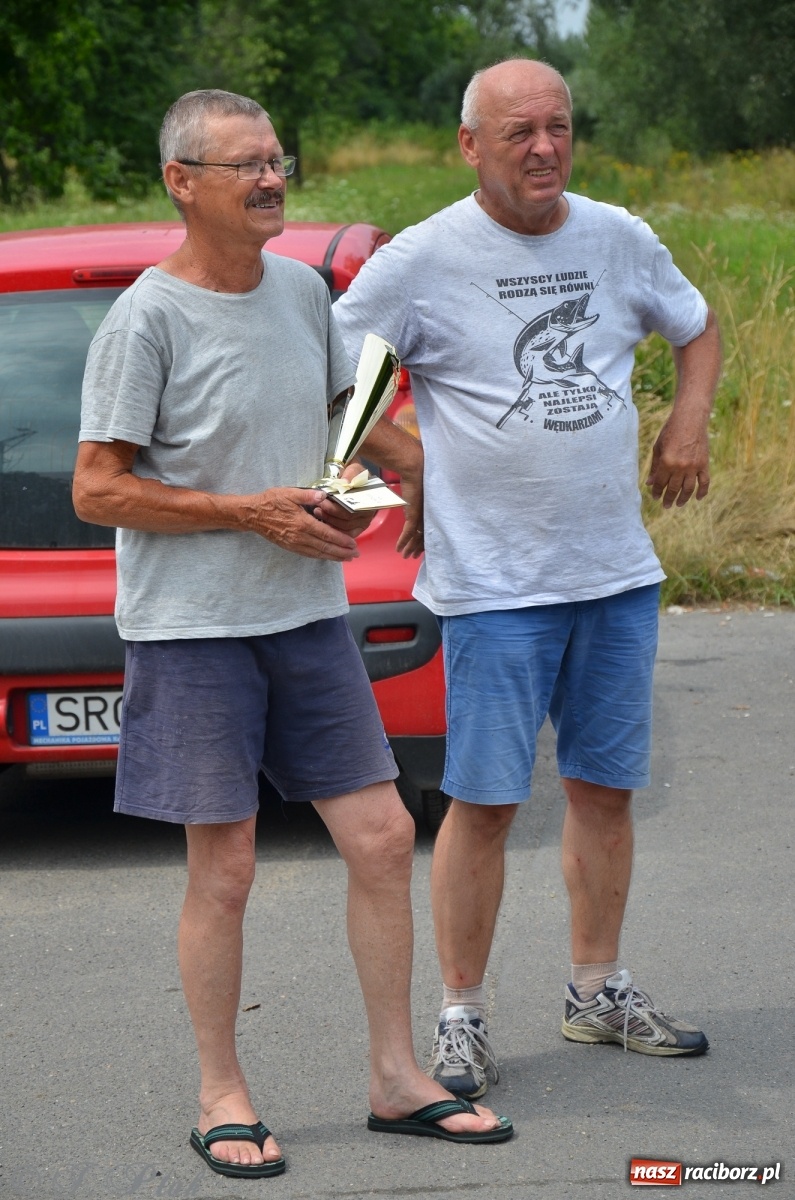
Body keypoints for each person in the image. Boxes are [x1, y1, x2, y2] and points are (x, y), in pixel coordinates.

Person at [72, 88, 513, 1179]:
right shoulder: (148, 318)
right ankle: (223, 1094)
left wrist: (420, 481)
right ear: (184, 182)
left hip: (308, 617)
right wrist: (245, 511)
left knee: (382, 838)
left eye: (279, 160)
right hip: (193, 631)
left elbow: (345, 415)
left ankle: (396, 1078)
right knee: (224, 871)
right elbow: (96, 490)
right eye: (246, 166)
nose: (273, 180)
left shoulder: (303, 290)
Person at [336, 58, 720, 1100]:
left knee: (604, 789)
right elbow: (329, 367)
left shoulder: (617, 235)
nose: (544, 148)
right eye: (519, 133)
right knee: (486, 801)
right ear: (471, 145)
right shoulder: (423, 259)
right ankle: (460, 1015)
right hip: (495, 586)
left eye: (558, 127)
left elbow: (694, 328)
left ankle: (596, 992)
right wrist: (403, 458)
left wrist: (688, 423)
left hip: (613, 573)